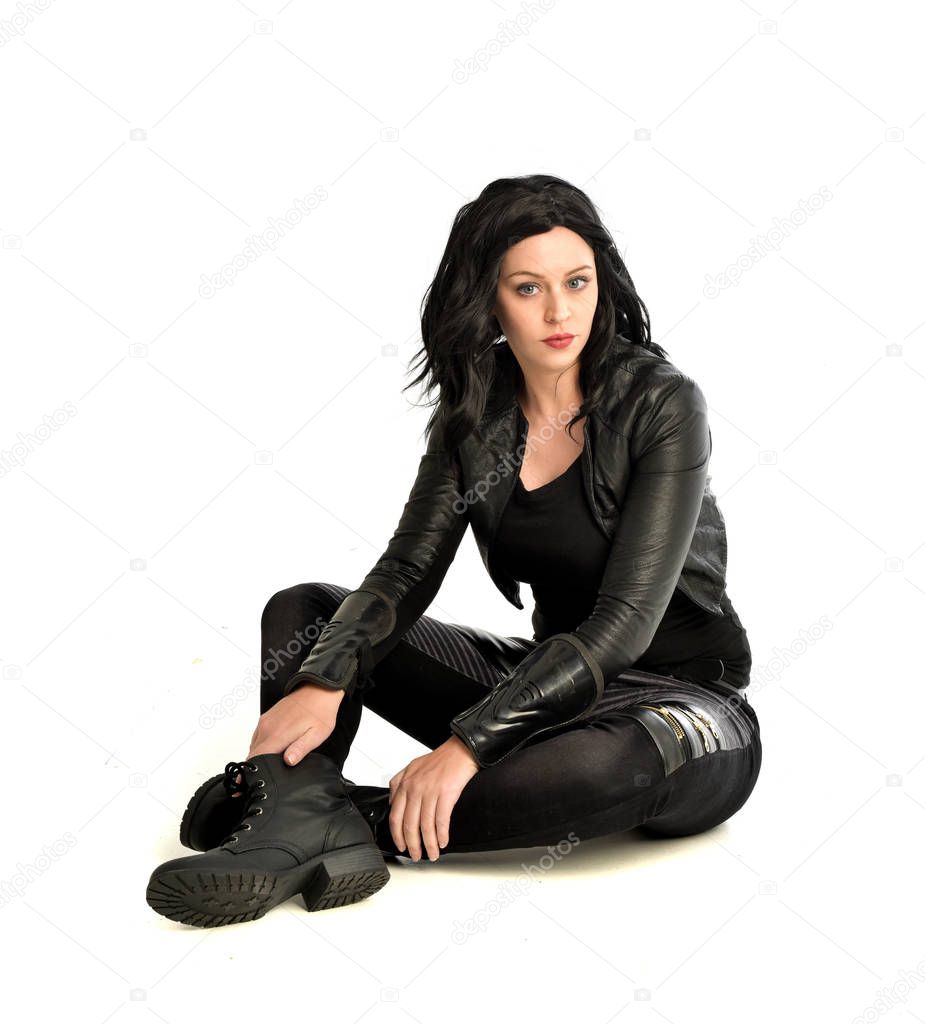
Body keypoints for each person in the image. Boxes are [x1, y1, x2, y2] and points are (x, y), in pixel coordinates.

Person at [146, 174, 762, 929]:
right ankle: (298, 817)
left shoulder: (661, 403)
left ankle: (302, 818)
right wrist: (326, 676)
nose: (560, 310)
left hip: (681, 704)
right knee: (308, 615)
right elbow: (406, 573)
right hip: (546, 684)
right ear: (489, 298)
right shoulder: (475, 415)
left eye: (576, 281)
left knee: (605, 766)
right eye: (528, 288)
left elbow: (623, 624)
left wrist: (467, 746)